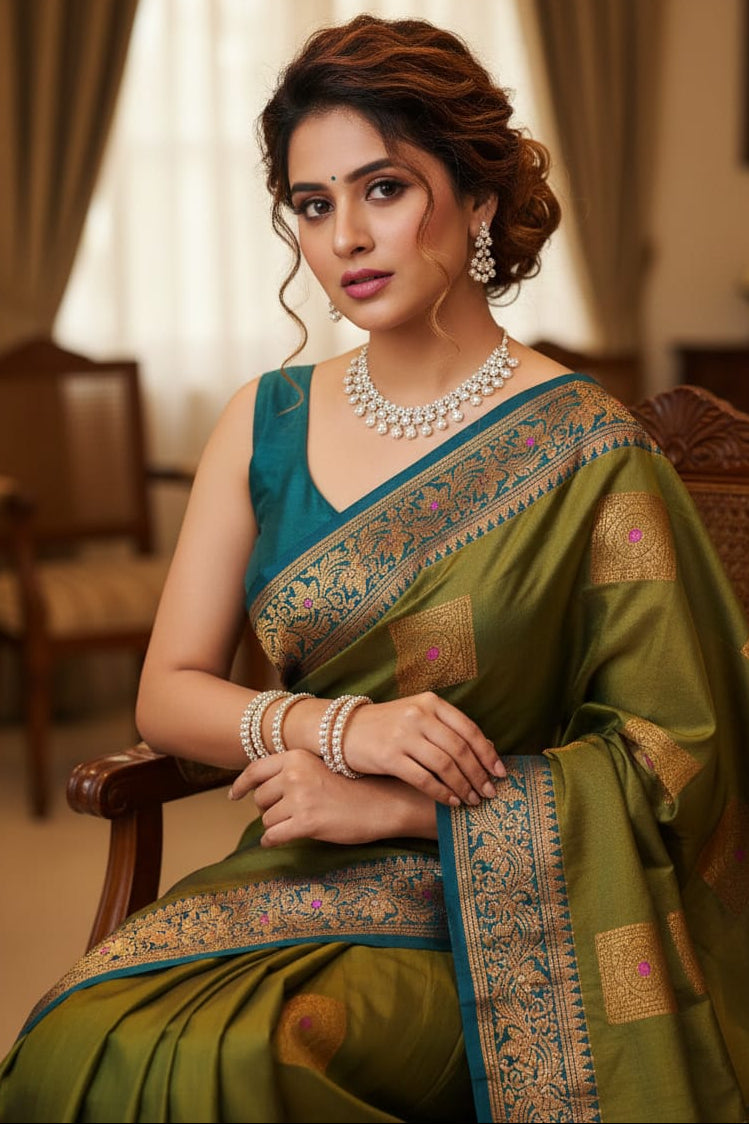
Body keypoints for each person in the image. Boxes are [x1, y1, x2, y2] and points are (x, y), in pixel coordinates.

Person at [0, 13, 747, 1124]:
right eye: (313, 204)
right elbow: (168, 692)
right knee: (80, 1040)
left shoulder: (588, 449)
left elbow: (670, 762)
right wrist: (340, 731)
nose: (345, 235)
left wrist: (397, 805)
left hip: (510, 907)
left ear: (478, 196)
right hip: (297, 863)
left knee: (241, 1056)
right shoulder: (263, 419)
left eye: (383, 189)